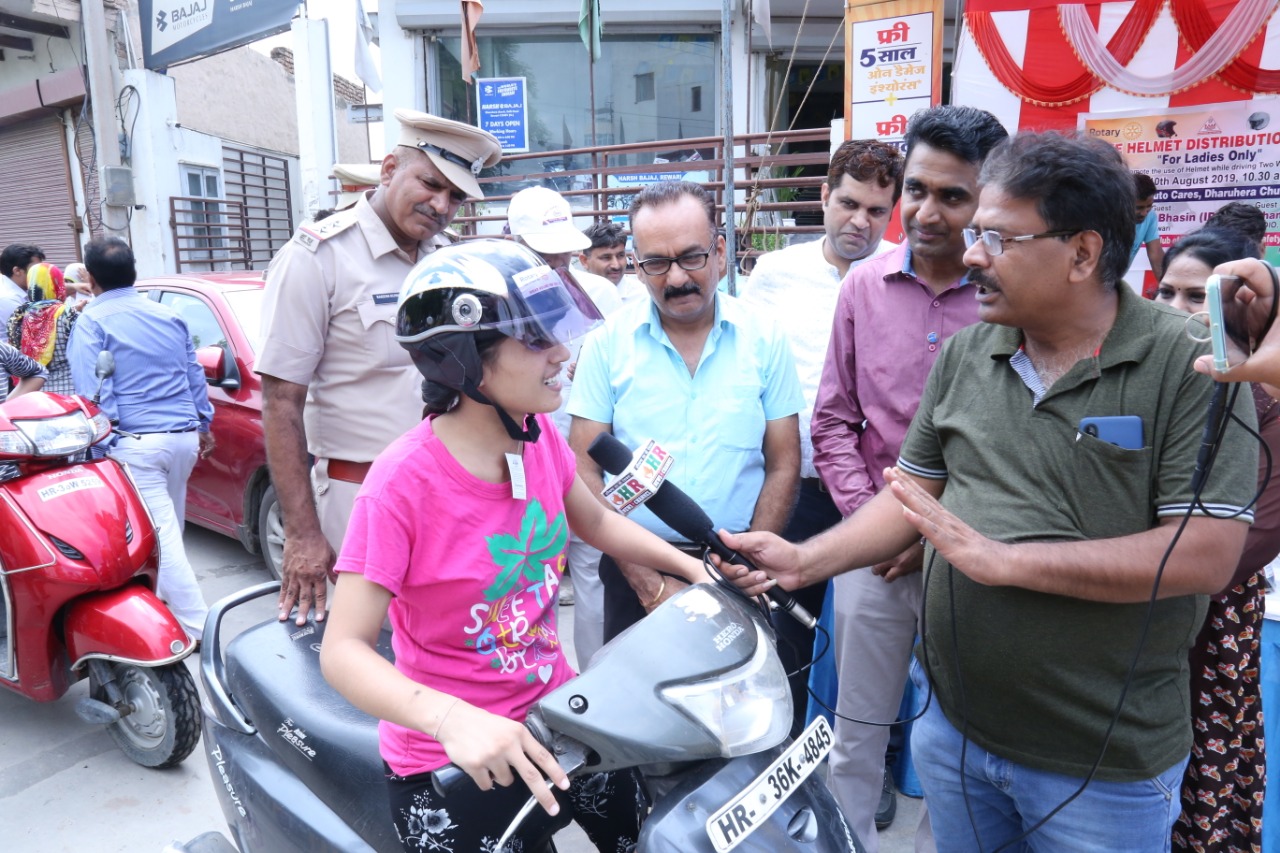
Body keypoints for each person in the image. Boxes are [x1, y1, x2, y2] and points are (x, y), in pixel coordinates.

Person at [722, 131, 1260, 852]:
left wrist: (1004, 561)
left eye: (998, 238)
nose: (971, 254)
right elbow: (910, 492)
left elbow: (1206, 552)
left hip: (1101, 762)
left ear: (1082, 253)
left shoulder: (1185, 364)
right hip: (958, 737)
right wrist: (803, 560)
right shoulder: (972, 351)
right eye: (977, 233)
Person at [319, 239, 710, 852]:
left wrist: (697, 571)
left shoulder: (537, 439)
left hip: (556, 717)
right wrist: (452, 720)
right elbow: (342, 650)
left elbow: (599, 525)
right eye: (535, 341)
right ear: (461, 360)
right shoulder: (398, 487)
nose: (560, 354)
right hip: (453, 758)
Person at [808, 108, 1007, 850]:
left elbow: (1014, 445)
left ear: (988, 200)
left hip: (975, 556)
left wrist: (931, 537)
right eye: (916, 190)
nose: (924, 211)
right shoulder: (862, 287)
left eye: (951, 197)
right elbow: (833, 421)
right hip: (871, 557)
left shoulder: (1009, 300)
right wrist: (872, 529)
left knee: (960, 743)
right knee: (855, 734)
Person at [256, 109, 502, 627]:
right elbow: (281, 404)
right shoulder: (317, 258)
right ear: (390, 168)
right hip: (361, 495)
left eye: (455, 197)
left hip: (450, 494)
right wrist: (302, 533)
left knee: (447, 645)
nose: (441, 206)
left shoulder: (450, 261)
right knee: (370, 659)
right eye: (431, 184)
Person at [568, 181, 803, 641]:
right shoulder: (606, 345)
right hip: (637, 566)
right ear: (636, 265)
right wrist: (648, 583)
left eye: (691, 257)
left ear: (719, 251)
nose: (676, 279)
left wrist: (749, 562)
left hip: (738, 562)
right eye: (656, 263)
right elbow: (581, 469)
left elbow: (784, 461)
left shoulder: (766, 338)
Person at [739, 137, 903, 743]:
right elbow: (749, 365)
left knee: (874, 636)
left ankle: (871, 756)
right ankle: (786, 751)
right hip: (799, 481)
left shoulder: (900, 274)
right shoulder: (778, 274)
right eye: (849, 204)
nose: (859, 221)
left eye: (876, 211)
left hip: (878, 491)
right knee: (792, 619)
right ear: (823, 197)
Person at [1153, 227, 1277, 853]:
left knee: (1205, 770)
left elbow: (1248, 543)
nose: (1176, 311)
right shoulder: (1156, 387)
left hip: (1212, 618)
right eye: (1166, 293)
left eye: (1196, 297)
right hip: (1139, 614)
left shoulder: (1268, 402)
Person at [67, 238, 215, 641]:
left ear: (91, 278)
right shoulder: (166, 315)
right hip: (183, 438)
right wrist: (203, 424)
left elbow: (92, 395)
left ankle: (199, 627)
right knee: (170, 526)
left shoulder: (92, 322)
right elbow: (193, 374)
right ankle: (167, 601)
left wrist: (99, 448)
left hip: (135, 444)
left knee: (162, 532)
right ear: (134, 270)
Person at [506, 186, 623, 668]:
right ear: (515, 241)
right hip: (518, 455)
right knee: (526, 574)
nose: (556, 264)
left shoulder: (599, 294)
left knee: (593, 570)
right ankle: (534, 681)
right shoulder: (496, 296)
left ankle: (596, 688)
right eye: (543, 253)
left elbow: (621, 371)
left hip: (585, 455)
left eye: (562, 254)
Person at [8, 263, 78, 394]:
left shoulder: (19, 315)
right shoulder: (68, 314)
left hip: (32, 394)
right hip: (67, 393)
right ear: (57, 284)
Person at [577, 221, 647, 305]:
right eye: (606, 258)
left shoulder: (643, 297)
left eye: (620, 255)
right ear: (584, 261)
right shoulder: (573, 298)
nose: (616, 265)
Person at [0, 244, 43, 332]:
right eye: (35, 270)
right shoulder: (7, 298)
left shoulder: (23, 288)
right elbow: (35, 331)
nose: (41, 274)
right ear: (17, 271)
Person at [1130, 172, 1165, 275]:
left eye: (1149, 206)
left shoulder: (1150, 217)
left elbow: (1156, 257)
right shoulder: (1107, 218)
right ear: (1124, 201)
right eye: (1139, 208)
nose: (1144, 213)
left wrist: (1169, 289)